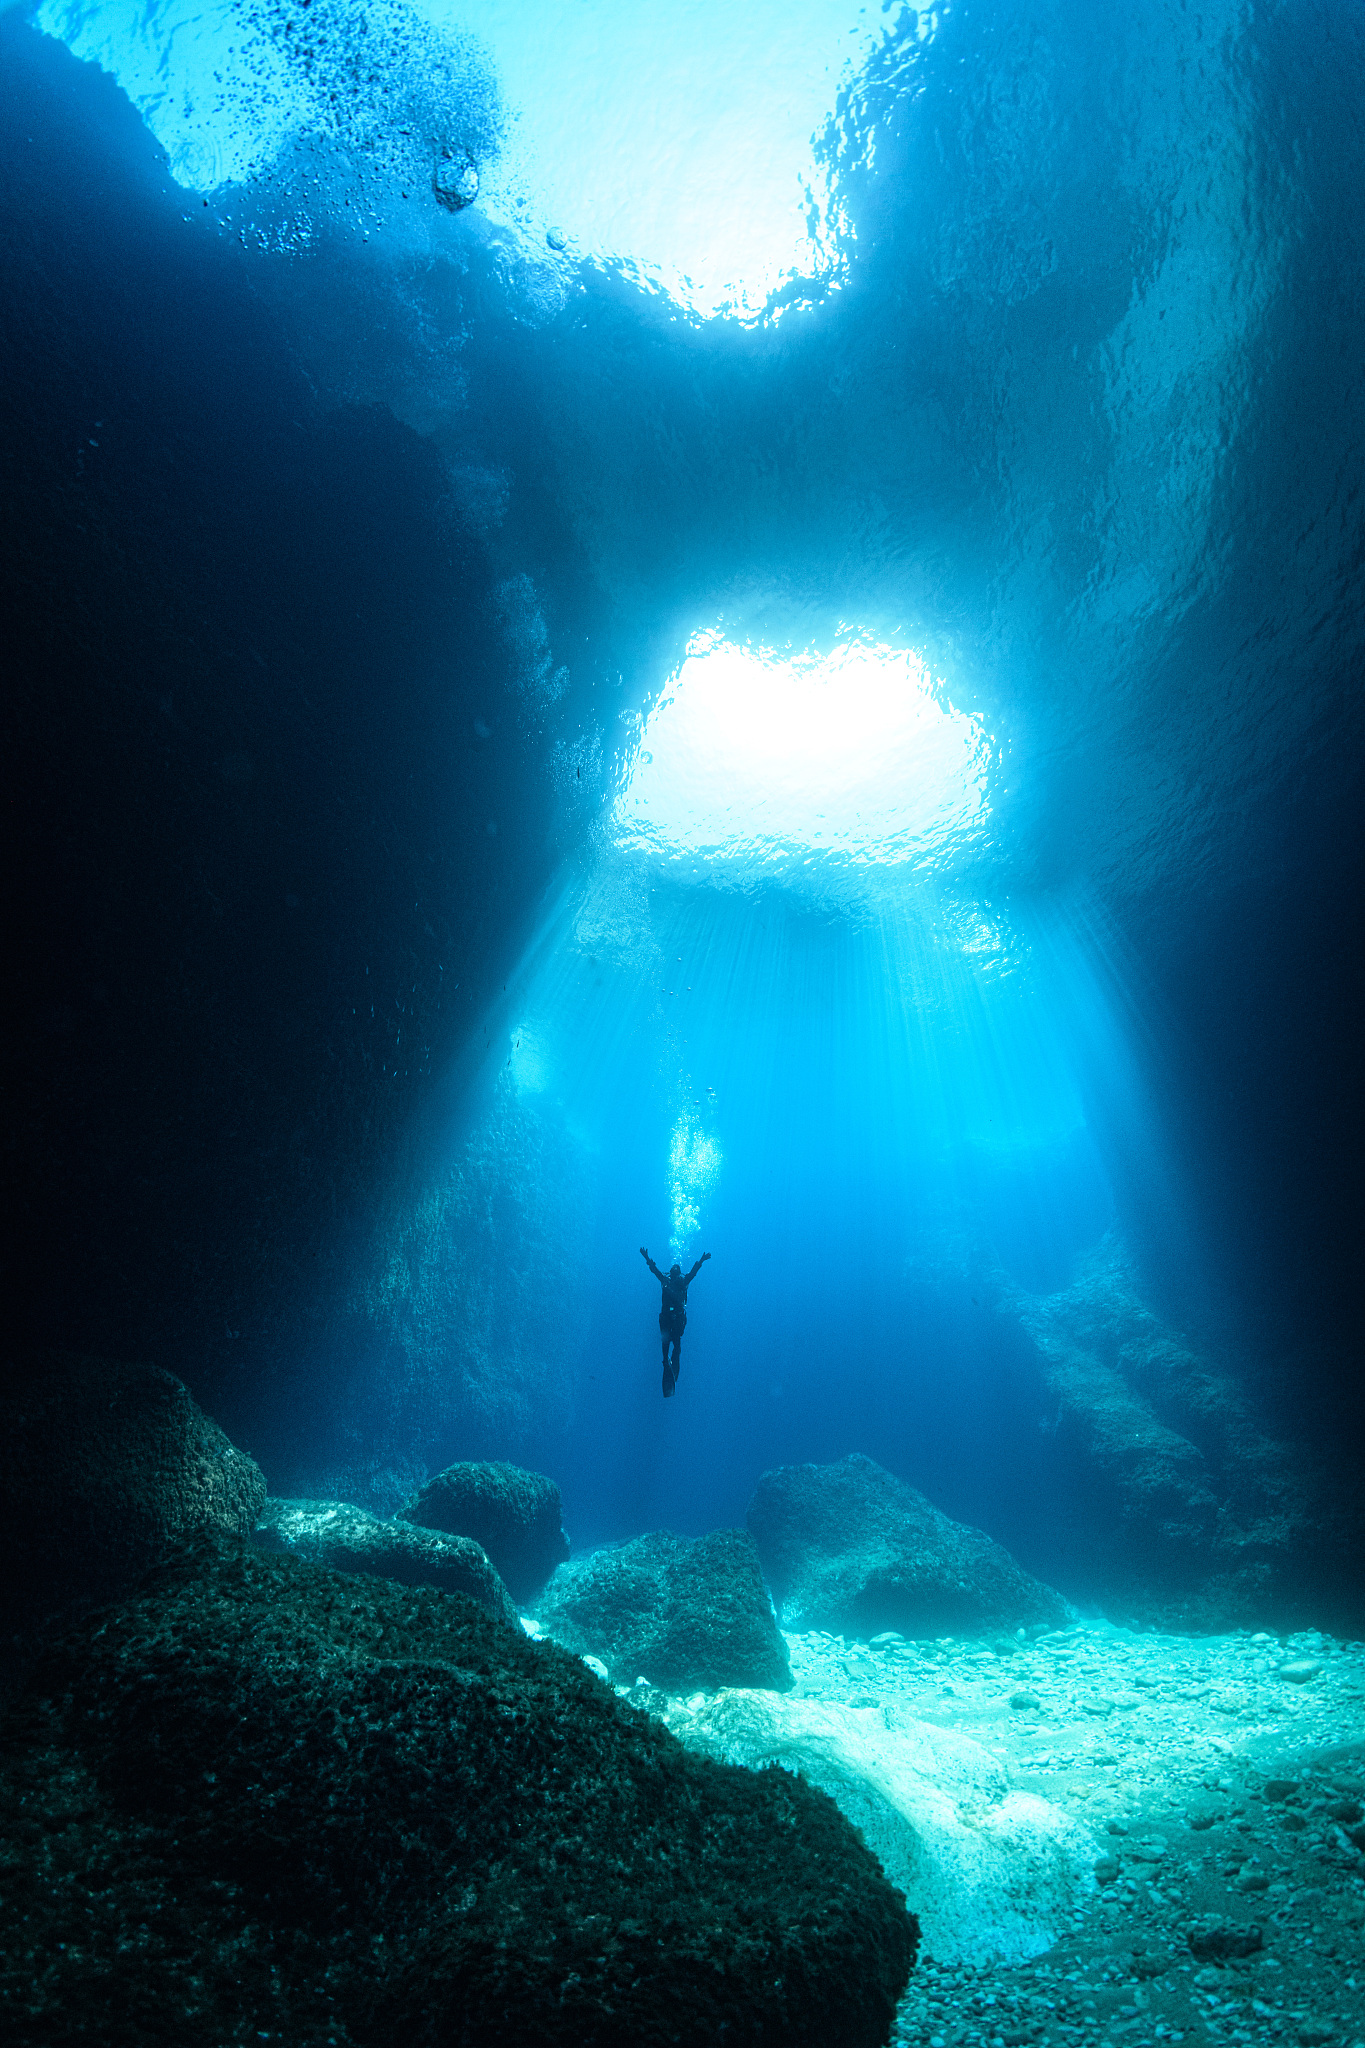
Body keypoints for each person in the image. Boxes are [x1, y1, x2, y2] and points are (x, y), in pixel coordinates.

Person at [639, 1245, 711, 1398]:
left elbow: (656, 1271)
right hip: (672, 1318)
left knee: (670, 1343)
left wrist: (701, 1260)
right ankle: (667, 1360)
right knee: (674, 1344)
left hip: (671, 1318)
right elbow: (691, 1273)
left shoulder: (673, 1280)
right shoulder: (676, 1280)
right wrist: (701, 1261)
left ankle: (667, 1360)